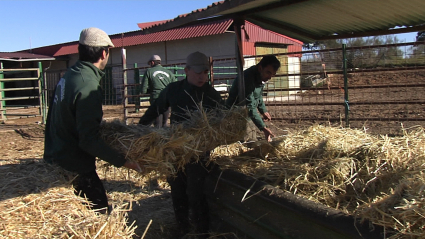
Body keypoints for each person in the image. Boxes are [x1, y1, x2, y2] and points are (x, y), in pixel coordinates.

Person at [43, 27, 142, 213]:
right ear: (104, 52)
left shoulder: (69, 75)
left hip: (56, 158)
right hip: (75, 165)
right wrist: (124, 161)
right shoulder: (88, 84)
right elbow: (88, 140)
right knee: (100, 215)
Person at [139, 51, 222, 238]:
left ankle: (202, 230)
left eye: (205, 73)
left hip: (198, 151)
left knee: (195, 191)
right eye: (198, 72)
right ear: (187, 70)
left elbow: (224, 118)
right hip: (176, 149)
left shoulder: (210, 94)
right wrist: (140, 128)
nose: (203, 77)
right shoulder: (174, 89)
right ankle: (182, 227)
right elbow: (156, 108)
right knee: (177, 188)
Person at [226, 55, 281, 142]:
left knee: (251, 134)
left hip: (245, 113)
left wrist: (263, 110)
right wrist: (263, 127)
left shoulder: (260, 76)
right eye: (268, 72)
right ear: (260, 68)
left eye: (272, 74)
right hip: (236, 113)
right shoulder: (247, 78)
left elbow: (258, 95)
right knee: (248, 140)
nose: (270, 77)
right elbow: (249, 106)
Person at [140, 54, 176, 128]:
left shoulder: (149, 71)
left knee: (157, 123)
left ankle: (158, 136)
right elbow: (174, 86)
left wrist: (145, 92)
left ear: (152, 62)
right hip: (167, 99)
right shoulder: (169, 72)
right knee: (165, 123)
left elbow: (144, 87)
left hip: (156, 98)